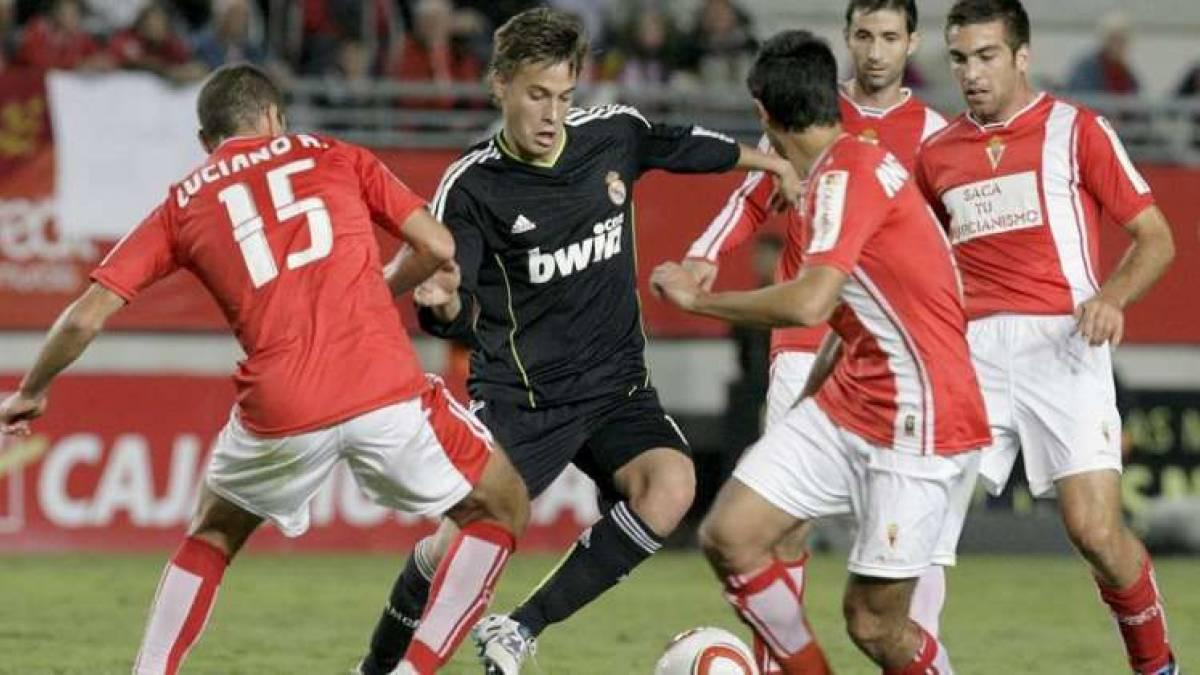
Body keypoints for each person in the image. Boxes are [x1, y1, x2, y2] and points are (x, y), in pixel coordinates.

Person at [0, 64, 530, 675]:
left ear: (207, 141)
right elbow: (437, 246)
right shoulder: (337, 155)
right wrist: (377, 290)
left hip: (282, 405)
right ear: (275, 117)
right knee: (500, 506)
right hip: (381, 385)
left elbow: (85, 317)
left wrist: (32, 390)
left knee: (212, 534)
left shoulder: (184, 201)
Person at [355, 8, 807, 675]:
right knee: (453, 546)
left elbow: (680, 144)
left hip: (616, 388)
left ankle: (520, 627)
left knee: (671, 484)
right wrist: (445, 302)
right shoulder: (473, 186)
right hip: (523, 399)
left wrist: (770, 162)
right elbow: (457, 302)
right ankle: (377, 666)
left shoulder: (611, 135)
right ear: (500, 85)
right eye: (537, 95)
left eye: (564, 97)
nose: (552, 114)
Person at [651, 29, 990, 674]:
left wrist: (699, 301)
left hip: (921, 419)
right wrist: (811, 406)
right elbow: (855, 311)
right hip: (856, 394)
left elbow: (810, 303)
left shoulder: (846, 177)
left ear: (763, 114)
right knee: (732, 536)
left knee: (874, 624)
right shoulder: (839, 168)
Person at [915, 1, 1178, 673]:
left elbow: (1156, 237)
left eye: (986, 56)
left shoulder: (1076, 129)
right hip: (970, 355)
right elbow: (920, 262)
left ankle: (1157, 665)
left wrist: (1112, 296)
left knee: (1095, 533)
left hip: (1063, 345)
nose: (971, 73)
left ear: (1022, 56)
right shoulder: (936, 154)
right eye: (960, 58)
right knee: (919, 528)